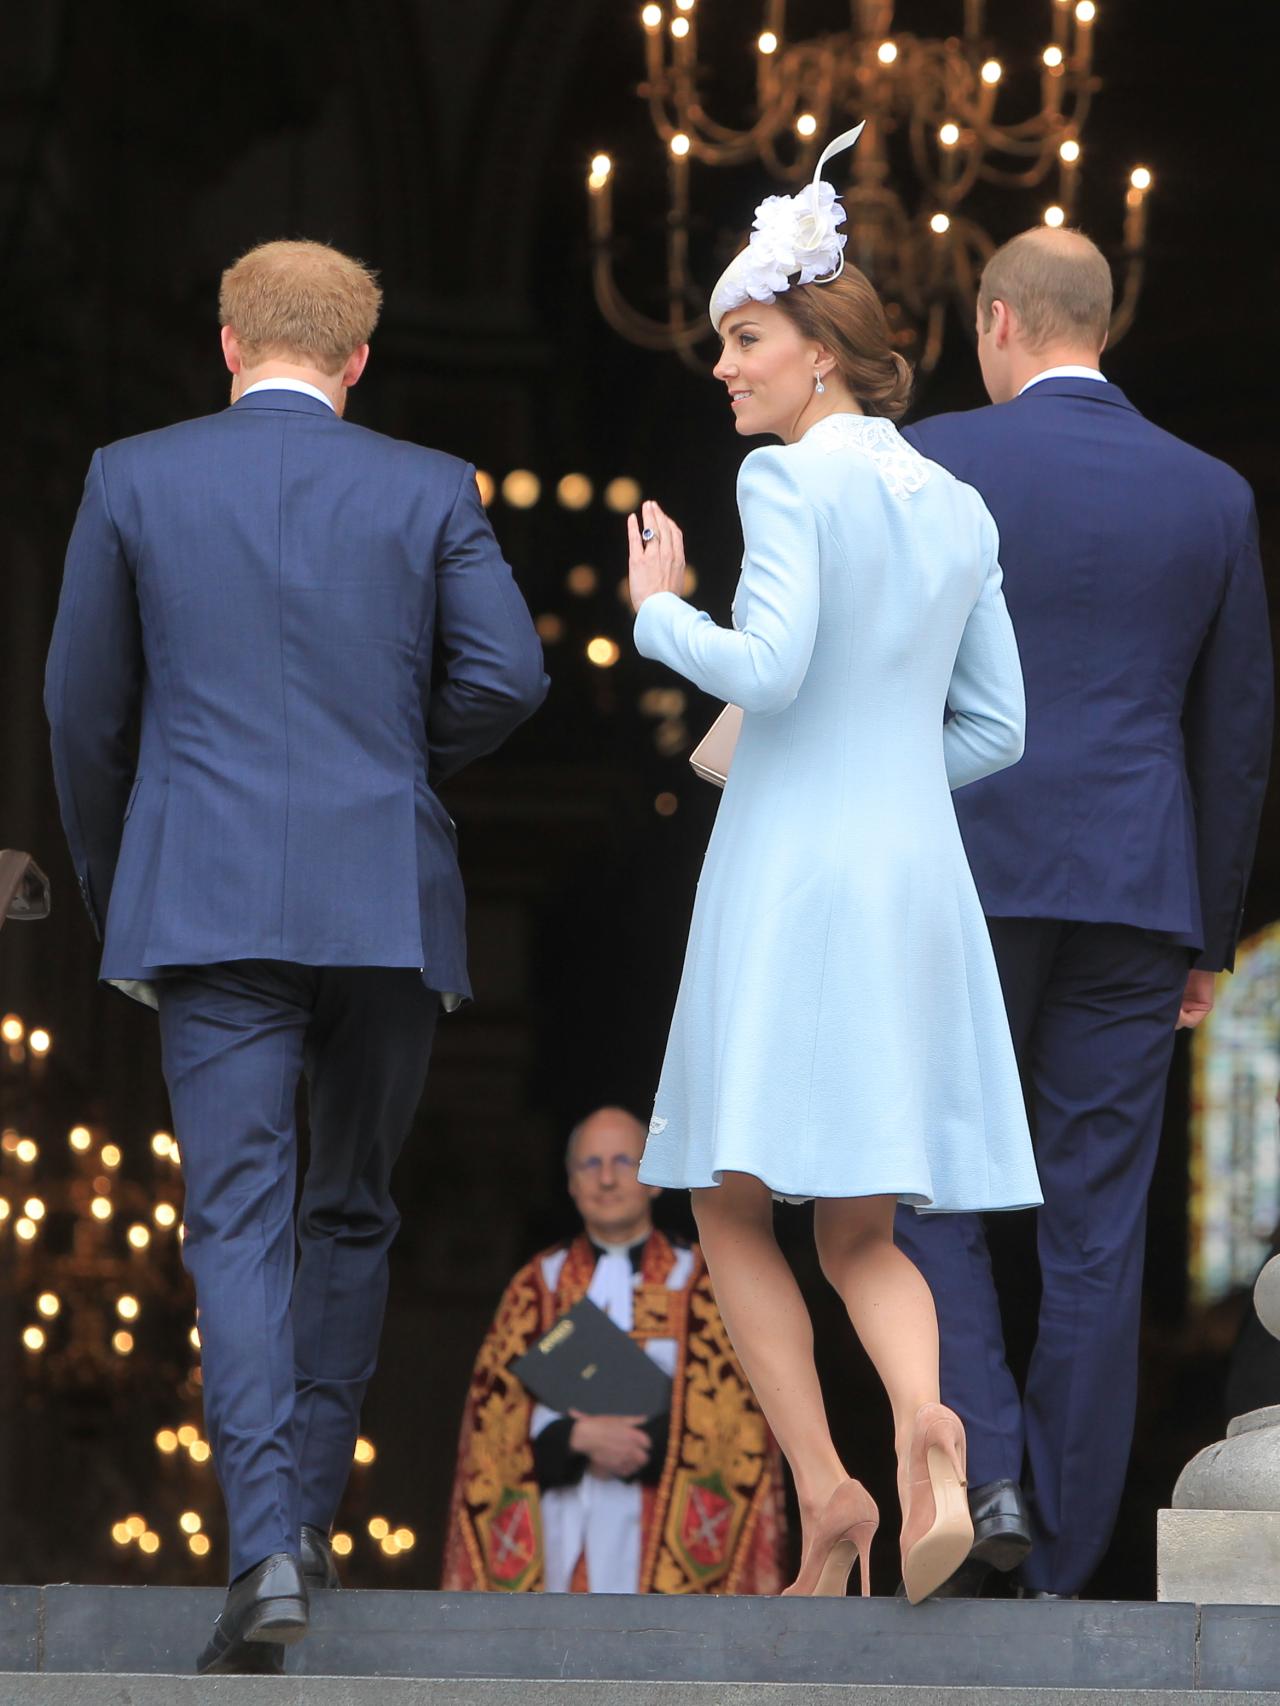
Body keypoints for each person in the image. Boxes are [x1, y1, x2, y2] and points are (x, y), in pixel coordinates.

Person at [44, 239, 547, 1672]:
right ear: (359, 360)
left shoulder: (132, 477)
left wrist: (113, 874)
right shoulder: (426, 484)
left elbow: (80, 714)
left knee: (237, 1220)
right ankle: (306, 1516)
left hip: (203, 898)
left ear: (226, 343)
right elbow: (513, 674)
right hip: (383, 895)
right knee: (352, 1208)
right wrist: (397, 765)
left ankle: (263, 1536)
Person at [624, 129, 1042, 1605]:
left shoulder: (792, 487)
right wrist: (888, 784)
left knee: (730, 1204)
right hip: (913, 883)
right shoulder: (959, 504)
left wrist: (658, 615)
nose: (726, 367)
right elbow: (999, 723)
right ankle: (927, 1437)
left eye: (746, 339)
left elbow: (776, 667)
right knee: (861, 1219)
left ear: (821, 350)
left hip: (792, 878)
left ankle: (830, 1482)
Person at [892, 226, 1273, 1600]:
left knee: (930, 1179)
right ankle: (1058, 1557)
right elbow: (1234, 738)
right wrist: (1204, 939)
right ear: (1101, 326)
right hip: (1134, 888)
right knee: (1098, 1232)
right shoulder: (1212, 495)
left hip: (962, 876)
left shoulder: (934, 458)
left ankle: (983, 1459)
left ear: (997, 320)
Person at [442, 1106, 787, 1595]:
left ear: (654, 1179)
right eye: (590, 1165)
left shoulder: (702, 1285)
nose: (606, 1179)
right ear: (571, 1183)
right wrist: (574, 1439)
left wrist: (640, 1444)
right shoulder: (536, 1287)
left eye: (624, 1162)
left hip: (665, 1534)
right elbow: (490, 1432)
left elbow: (741, 1428)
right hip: (556, 1535)